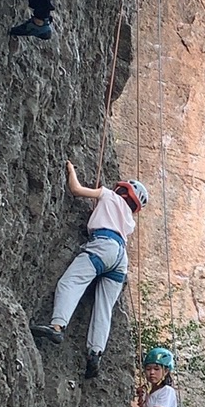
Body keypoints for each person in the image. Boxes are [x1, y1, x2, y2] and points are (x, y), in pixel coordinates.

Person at [31, 161, 147, 379]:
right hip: (120, 258)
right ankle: (96, 353)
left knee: (70, 282)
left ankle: (57, 326)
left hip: (103, 244)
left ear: (123, 191)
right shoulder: (129, 220)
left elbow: (76, 189)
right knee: (104, 307)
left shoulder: (109, 195)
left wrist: (71, 169)